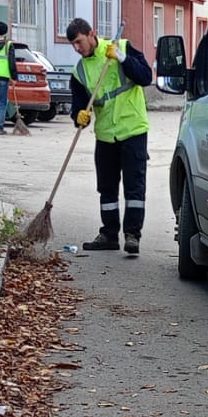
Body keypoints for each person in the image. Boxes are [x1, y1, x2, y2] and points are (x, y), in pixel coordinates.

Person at [65, 18, 153, 255]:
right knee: (107, 188)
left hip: (133, 129)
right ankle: (109, 234)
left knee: (134, 188)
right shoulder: (80, 71)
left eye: (79, 42)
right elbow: (78, 106)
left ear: (92, 34)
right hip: (105, 135)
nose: (77, 48)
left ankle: (132, 235)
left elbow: (146, 77)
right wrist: (79, 117)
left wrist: (123, 59)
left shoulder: (122, 47)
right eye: (73, 44)